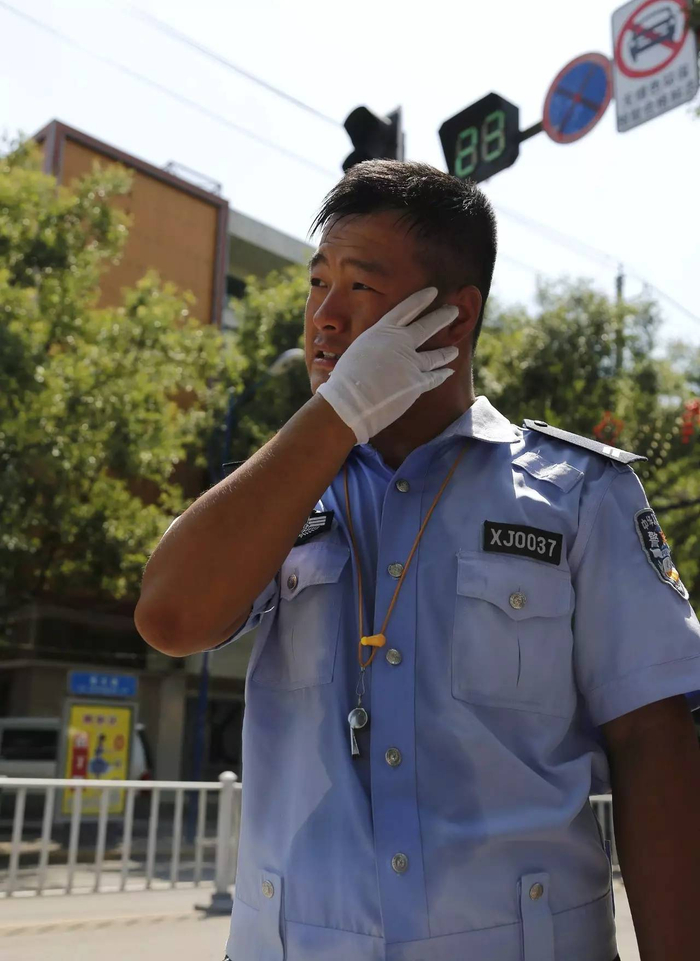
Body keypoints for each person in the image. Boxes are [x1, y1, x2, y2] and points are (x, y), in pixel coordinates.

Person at [135, 161, 700, 961]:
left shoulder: (579, 495)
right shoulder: (284, 491)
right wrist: (336, 415)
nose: (324, 318)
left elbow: (654, 744)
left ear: (452, 315)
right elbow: (168, 616)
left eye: (359, 289)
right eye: (316, 283)